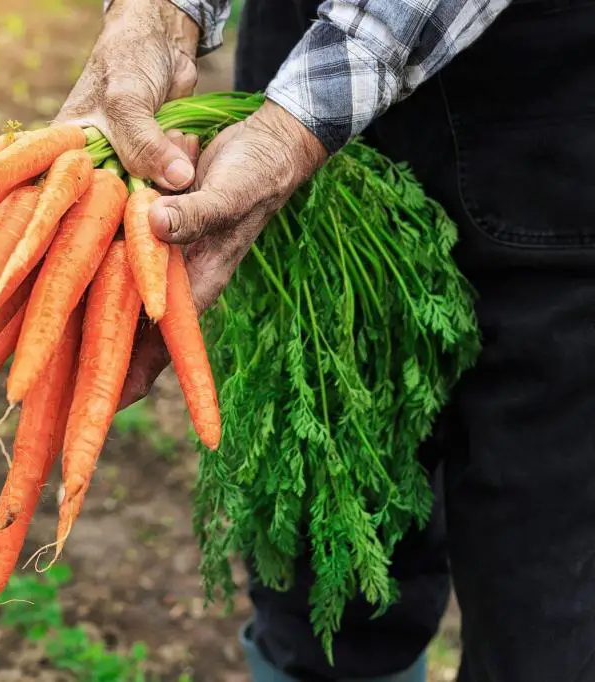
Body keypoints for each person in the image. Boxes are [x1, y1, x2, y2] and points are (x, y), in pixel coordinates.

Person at [57, 0, 595, 680]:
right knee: (322, 584)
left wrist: (297, 126)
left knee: (548, 598)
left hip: (541, 97)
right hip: (300, 63)